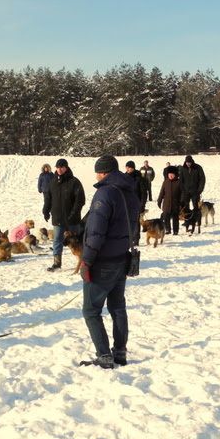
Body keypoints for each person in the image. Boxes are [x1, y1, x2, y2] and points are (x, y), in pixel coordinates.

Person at [78, 155, 141, 369]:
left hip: (103, 261)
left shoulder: (104, 193)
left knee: (91, 310)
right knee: (117, 307)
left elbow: (96, 232)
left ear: (103, 172)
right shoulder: (130, 192)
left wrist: (86, 261)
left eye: (98, 171)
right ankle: (120, 352)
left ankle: (104, 355)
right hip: (121, 257)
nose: (96, 175)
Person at [43, 158, 85, 272]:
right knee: (57, 240)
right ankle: (57, 263)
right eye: (57, 167)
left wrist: (74, 213)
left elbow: (80, 200)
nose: (59, 169)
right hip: (57, 217)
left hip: (72, 219)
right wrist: (46, 210)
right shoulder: (52, 182)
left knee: (76, 240)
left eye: (62, 167)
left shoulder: (74, 182)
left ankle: (84, 262)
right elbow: (48, 198)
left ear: (66, 167)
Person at [157, 166, 182, 235]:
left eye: (172, 174)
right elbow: (162, 192)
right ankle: (168, 229)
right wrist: (159, 201)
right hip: (166, 204)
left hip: (176, 203)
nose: (170, 175)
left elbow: (182, 193)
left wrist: (182, 203)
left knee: (175, 218)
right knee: (166, 217)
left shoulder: (179, 182)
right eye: (169, 174)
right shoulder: (165, 182)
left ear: (175, 174)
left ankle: (175, 230)